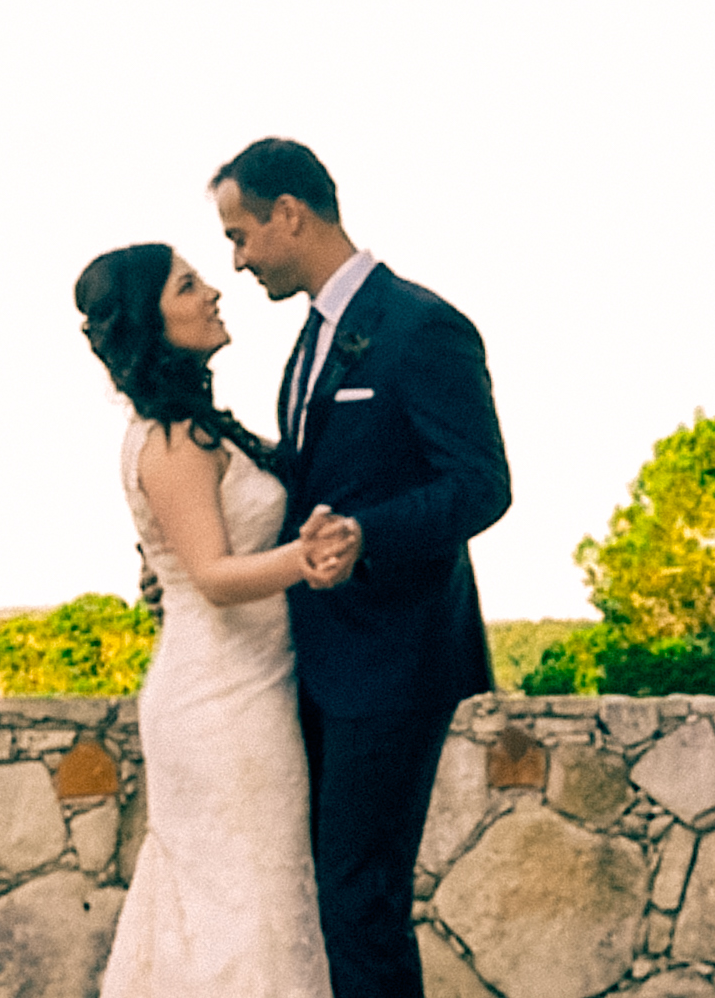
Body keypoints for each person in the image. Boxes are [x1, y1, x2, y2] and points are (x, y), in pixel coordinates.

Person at [216, 138, 511, 998]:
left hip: (395, 661)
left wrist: (365, 532)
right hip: (316, 660)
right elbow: (313, 479)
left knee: (360, 901)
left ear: (289, 214)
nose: (236, 261)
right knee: (336, 897)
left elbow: (482, 486)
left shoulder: (424, 328)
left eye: (240, 236)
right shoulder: (311, 339)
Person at [76, 240, 360, 998]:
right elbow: (210, 577)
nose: (213, 291)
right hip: (220, 708)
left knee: (246, 903)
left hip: (252, 688)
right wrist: (309, 555)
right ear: (151, 321)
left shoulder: (198, 427)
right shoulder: (170, 440)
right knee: (247, 910)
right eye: (187, 285)